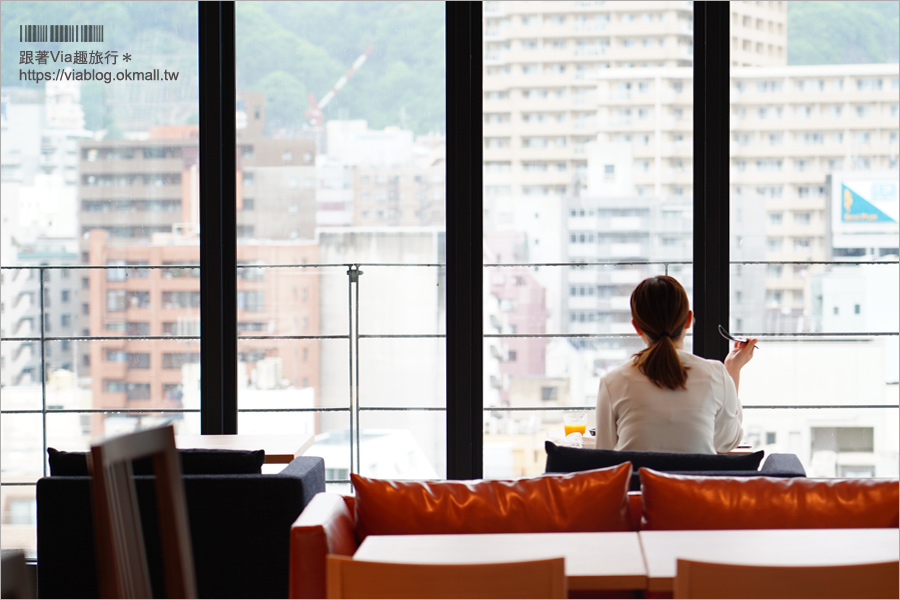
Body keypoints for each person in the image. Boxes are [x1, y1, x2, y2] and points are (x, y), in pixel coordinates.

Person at [595, 275, 757, 454]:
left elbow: (605, 456)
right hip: (692, 482)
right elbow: (725, 442)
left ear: (637, 327)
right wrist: (732, 370)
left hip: (637, 482)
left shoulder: (612, 382)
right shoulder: (715, 374)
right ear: (689, 319)